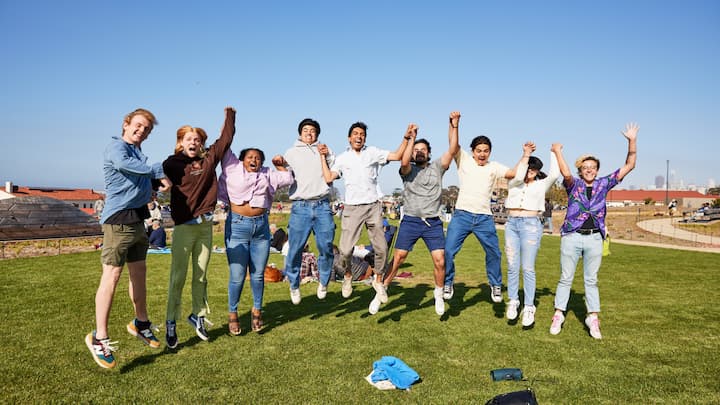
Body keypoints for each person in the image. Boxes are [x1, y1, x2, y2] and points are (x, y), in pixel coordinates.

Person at [85, 108, 171, 369]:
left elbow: (145, 182)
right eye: (138, 125)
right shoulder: (117, 148)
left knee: (139, 274)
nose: (141, 131)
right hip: (118, 222)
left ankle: (140, 323)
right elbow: (127, 167)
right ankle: (99, 337)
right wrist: (157, 170)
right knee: (111, 277)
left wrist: (157, 182)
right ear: (126, 124)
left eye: (146, 129)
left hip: (138, 221)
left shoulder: (138, 153)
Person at [549, 123, 639, 340]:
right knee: (565, 278)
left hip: (594, 239)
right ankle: (558, 314)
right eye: (585, 167)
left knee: (591, 280)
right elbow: (565, 172)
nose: (589, 170)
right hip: (572, 236)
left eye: (593, 167)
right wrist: (558, 151)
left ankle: (593, 318)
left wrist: (631, 141)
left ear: (597, 170)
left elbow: (629, 165)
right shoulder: (574, 185)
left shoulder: (604, 184)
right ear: (581, 170)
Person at [162, 107, 235, 348]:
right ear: (180, 142)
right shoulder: (172, 163)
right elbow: (154, 180)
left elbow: (225, 139)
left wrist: (230, 116)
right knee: (178, 277)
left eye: (197, 139)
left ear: (202, 143)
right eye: (188, 139)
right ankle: (171, 321)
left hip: (205, 227)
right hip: (184, 228)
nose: (193, 142)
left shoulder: (208, 160)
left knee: (201, 275)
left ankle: (198, 315)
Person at [320, 121, 411, 313]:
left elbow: (396, 155)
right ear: (349, 138)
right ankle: (347, 275)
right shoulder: (343, 158)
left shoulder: (373, 153)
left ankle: (378, 279)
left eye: (362, 134)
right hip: (352, 208)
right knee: (344, 250)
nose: (358, 136)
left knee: (382, 248)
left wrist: (406, 137)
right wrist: (322, 157)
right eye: (355, 133)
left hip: (373, 206)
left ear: (365, 138)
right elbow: (329, 178)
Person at [380, 112, 461, 316]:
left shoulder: (437, 168)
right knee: (399, 258)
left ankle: (439, 293)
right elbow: (404, 161)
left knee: (440, 260)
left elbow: (452, 149)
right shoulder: (407, 171)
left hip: (432, 222)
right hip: (411, 220)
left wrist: (454, 125)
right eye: (416, 150)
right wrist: (411, 138)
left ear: (429, 153)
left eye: (423, 150)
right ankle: (382, 288)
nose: (419, 153)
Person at [443, 129, 525, 303]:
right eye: (479, 150)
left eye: (486, 151)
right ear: (472, 151)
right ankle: (447, 282)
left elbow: (513, 174)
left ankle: (495, 285)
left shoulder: (494, 167)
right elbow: (453, 144)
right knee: (448, 251)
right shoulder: (464, 160)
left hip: (484, 218)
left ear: (490, 152)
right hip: (462, 216)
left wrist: (525, 155)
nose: (482, 154)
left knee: (494, 252)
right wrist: (455, 125)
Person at [220, 147, 293, 335]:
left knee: (258, 274)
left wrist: (281, 166)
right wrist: (230, 116)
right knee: (237, 276)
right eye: (250, 157)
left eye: (259, 158)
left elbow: (288, 179)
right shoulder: (232, 169)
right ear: (242, 160)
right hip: (237, 226)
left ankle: (257, 310)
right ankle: (233, 314)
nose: (254, 160)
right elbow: (225, 143)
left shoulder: (267, 174)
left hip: (261, 229)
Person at [278, 118, 336, 305]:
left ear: (317, 134)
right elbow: (285, 176)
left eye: (312, 130)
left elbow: (333, 173)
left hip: (322, 205)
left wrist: (326, 155)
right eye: (305, 130)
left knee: (326, 247)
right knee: (294, 249)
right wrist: (278, 163)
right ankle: (294, 284)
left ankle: (324, 282)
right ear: (300, 133)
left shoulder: (325, 150)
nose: (309, 133)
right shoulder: (291, 152)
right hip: (300, 207)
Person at [503, 144, 561, 327]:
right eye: (529, 168)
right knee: (512, 266)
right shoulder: (514, 183)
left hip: (531, 225)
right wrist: (525, 155)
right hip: (512, 223)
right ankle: (513, 301)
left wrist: (554, 152)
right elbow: (519, 173)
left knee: (528, 268)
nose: (531, 172)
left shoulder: (541, 185)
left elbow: (554, 175)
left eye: (535, 170)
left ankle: (529, 307)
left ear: (537, 172)